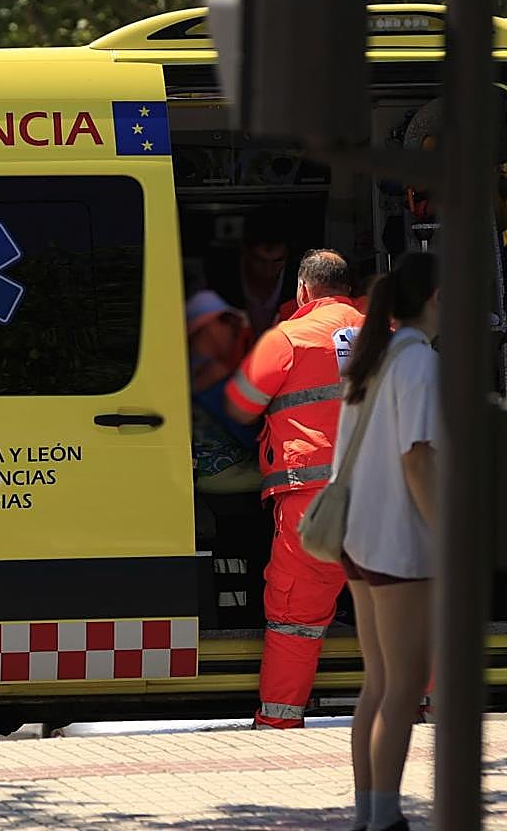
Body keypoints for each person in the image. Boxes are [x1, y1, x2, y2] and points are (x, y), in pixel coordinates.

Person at [224, 248, 365, 729]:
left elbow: (239, 403)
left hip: (314, 498)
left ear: (303, 290)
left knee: (295, 618)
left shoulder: (287, 337)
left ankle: (280, 722)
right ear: (348, 287)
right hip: (389, 497)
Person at [338, 253, 439, 831]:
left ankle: (369, 815)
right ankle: (385, 820)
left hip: (357, 539)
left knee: (378, 684)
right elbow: (419, 460)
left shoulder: (371, 361)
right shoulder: (419, 364)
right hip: (401, 543)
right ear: (440, 297)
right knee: (405, 686)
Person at [185, 290, 260, 492]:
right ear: (209, 326)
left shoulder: (183, 370)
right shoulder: (214, 373)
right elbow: (248, 434)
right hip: (225, 472)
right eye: (231, 324)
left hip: (196, 472)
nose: (235, 333)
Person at [209, 210, 297, 336]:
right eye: (261, 260)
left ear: (288, 256)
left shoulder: (299, 284)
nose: (268, 269)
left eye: (277, 261)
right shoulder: (222, 279)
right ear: (245, 253)